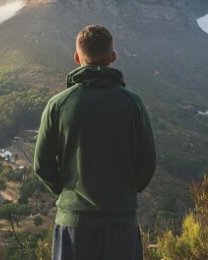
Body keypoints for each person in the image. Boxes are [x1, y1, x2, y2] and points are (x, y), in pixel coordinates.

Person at [34, 24, 156, 260]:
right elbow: (147, 163)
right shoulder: (132, 104)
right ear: (112, 57)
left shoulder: (58, 105)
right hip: (121, 223)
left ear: (77, 57)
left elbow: (42, 165)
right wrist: (125, 192)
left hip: (73, 225)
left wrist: (67, 193)